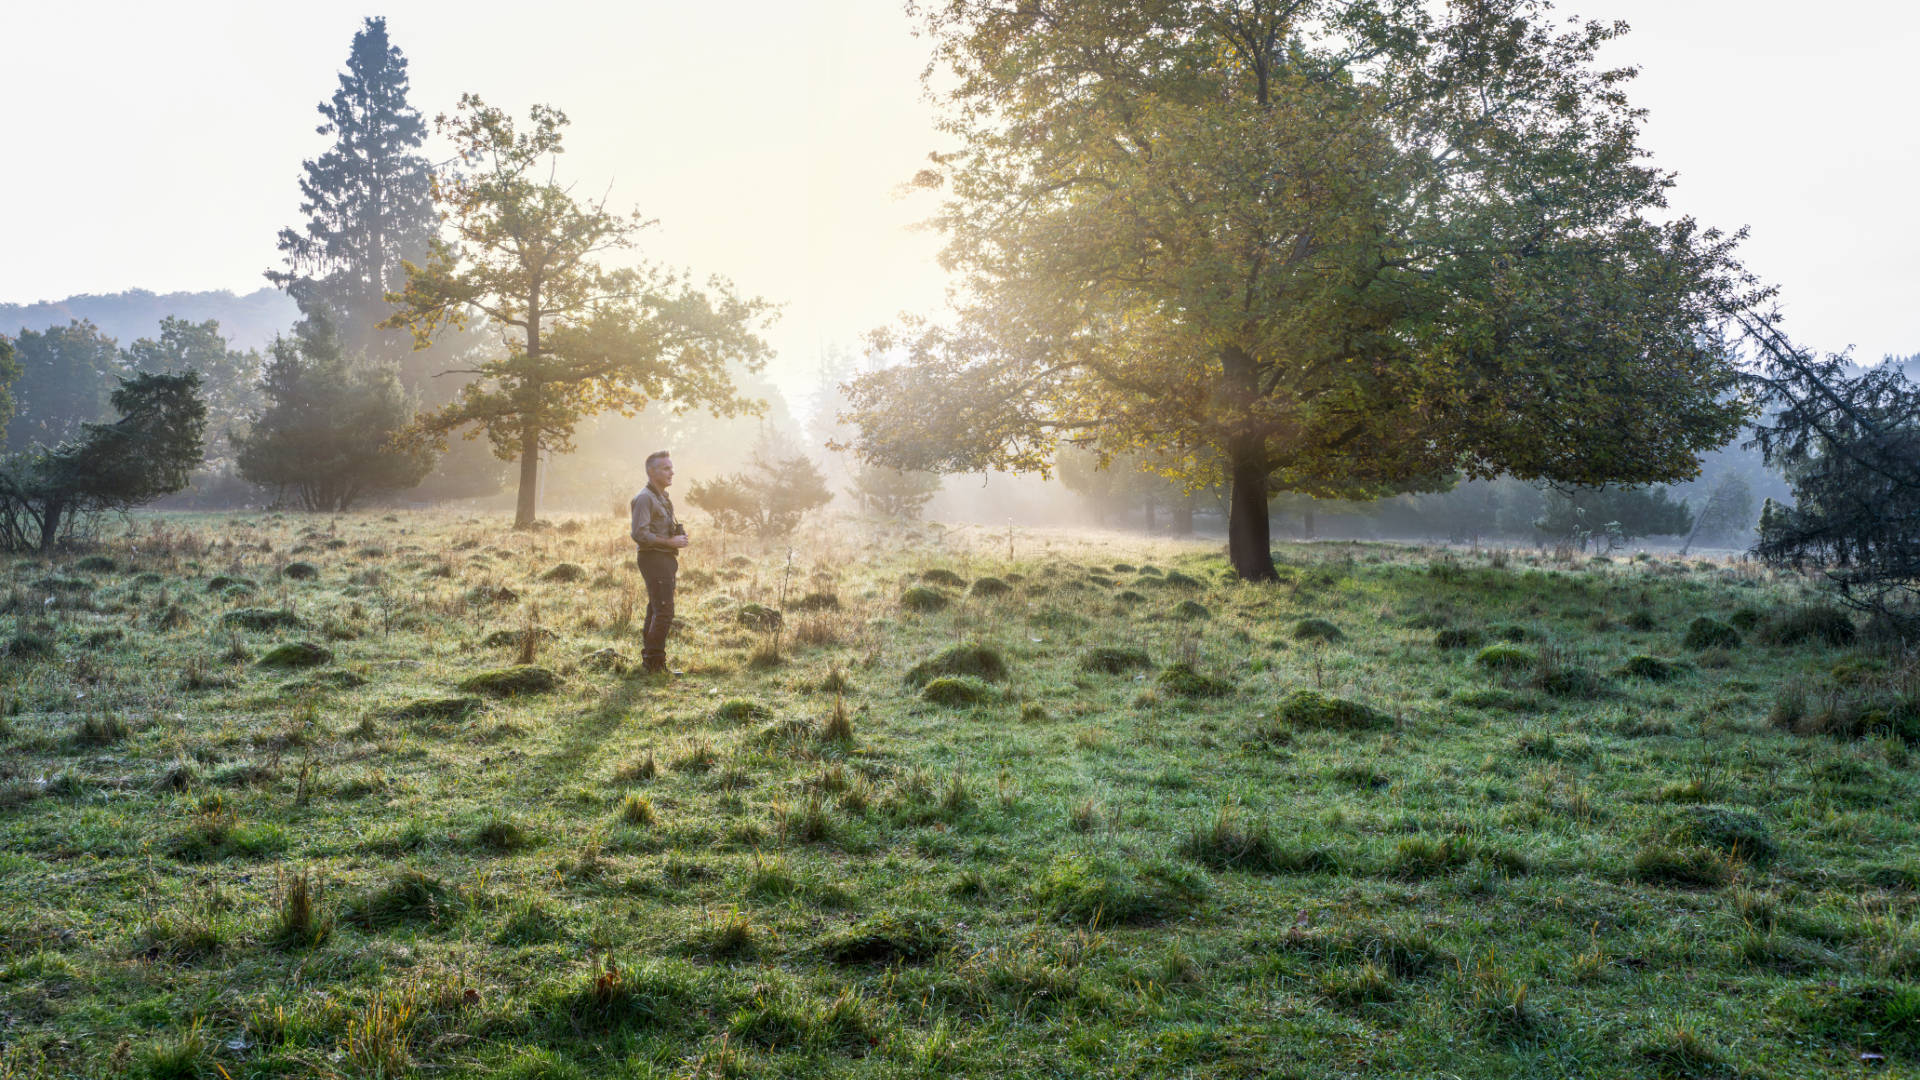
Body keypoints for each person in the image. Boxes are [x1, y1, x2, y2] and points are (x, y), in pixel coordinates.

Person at [629, 450, 688, 674]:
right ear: (651, 472)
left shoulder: (661, 497)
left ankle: (649, 661)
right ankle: (655, 664)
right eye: (665, 468)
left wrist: (675, 539)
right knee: (663, 611)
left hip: (664, 558)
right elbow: (639, 534)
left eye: (671, 467)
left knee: (656, 608)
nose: (672, 472)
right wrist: (670, 541)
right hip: (653, 558)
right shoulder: (644, 498)